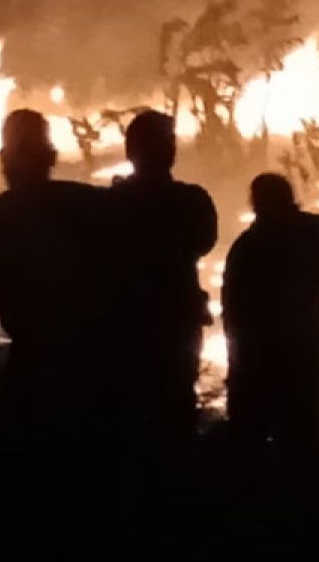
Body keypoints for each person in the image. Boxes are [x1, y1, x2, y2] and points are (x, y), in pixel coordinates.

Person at [0, 109, 112, 548]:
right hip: (92, 363)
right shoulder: (92, 206)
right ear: (52, 156)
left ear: (4, 159)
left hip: (36, 364)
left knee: (34, 480)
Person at [221, 173, 319, 468]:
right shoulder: (317, 232)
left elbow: (231, 313)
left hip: (260, 360)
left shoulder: (247, 246)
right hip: (302, 354)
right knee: (302, 441)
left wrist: (236, 366)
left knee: (254, 446)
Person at [106, 110, 217, 454]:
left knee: (131, 423)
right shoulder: (191, 200)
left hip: (126, 325)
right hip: (175, 321)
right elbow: (203, 241)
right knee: (175, 412)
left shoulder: (111, 204)